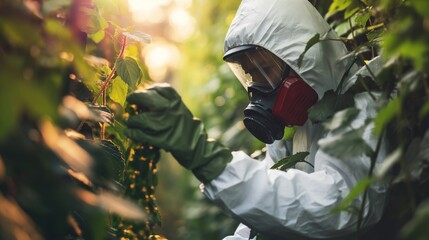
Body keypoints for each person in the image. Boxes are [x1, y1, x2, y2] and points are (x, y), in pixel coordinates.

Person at [124, 0, 388, 239]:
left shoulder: (360, 104)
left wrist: (210, 160)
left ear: (302, 56)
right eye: (250, 75)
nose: (257, 87)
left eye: (264, 70)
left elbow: (341, 207)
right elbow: (267, 216)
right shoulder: (301, 122)